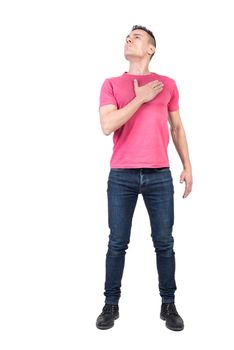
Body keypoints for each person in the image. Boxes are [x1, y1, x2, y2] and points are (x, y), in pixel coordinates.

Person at [96, 24, 193, 331]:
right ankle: (111, 304)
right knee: (117, 243)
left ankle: (169, 304)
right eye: (128, 36)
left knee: (164, 243)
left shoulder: (167, 84)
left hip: (159, 176)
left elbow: (177, 128)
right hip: (122, 175)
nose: (129, 38)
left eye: (136, 36)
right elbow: (107, 124)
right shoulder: (111, 84)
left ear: (151, 48)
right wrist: (139, 98)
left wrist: (188, 166)